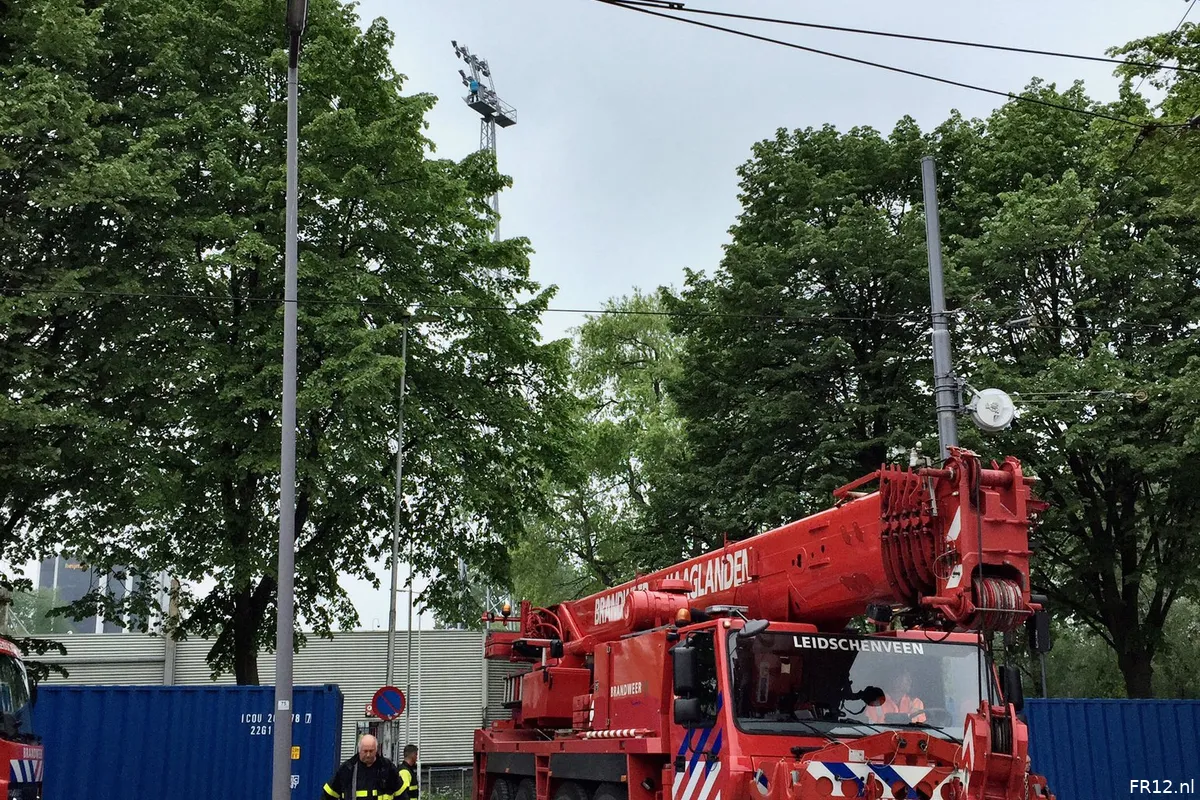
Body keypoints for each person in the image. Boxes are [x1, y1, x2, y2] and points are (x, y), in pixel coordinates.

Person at [322, 734, 402, 800]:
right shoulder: (348, 769)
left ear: (376, 750)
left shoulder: (387, 768)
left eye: (371, 751)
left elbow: (402, 795)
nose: (368, 755)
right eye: (365, 751)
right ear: (359, 750)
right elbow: (328, 794)